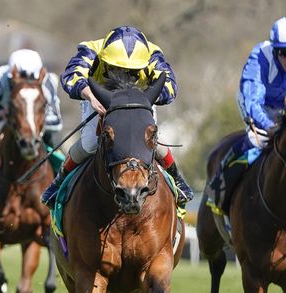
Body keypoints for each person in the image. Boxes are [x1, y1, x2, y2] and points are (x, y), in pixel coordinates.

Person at [41, 25, 193, 207]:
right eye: (116, 69)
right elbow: (71, 75)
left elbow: (170, 86)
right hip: (100, 99)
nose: (124, 75)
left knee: (150, 139)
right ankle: (59, 182)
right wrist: (89, 95)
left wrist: (144, 101)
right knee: (90, 142)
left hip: (139, 100)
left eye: (131, 71)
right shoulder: (91, 50)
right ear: (106, 59)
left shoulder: (152, 54)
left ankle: (177, 178)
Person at [206, 17, 286, 212]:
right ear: (275, 50)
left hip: (282, 108)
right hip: (258, 107)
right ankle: (220, 191)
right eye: (284, 52)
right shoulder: (260, 56)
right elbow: (253, 100)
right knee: (255, 141)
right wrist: (270, 127)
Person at [0, 49, 64, 170]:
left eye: (31, 79)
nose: (26, 82)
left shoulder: (47, 81)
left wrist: (32, 120)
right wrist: (0, 114)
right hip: (0, 126)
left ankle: (63, 181)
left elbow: (57, 122)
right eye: (21, 78)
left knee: (62, 159)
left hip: (39, 132)